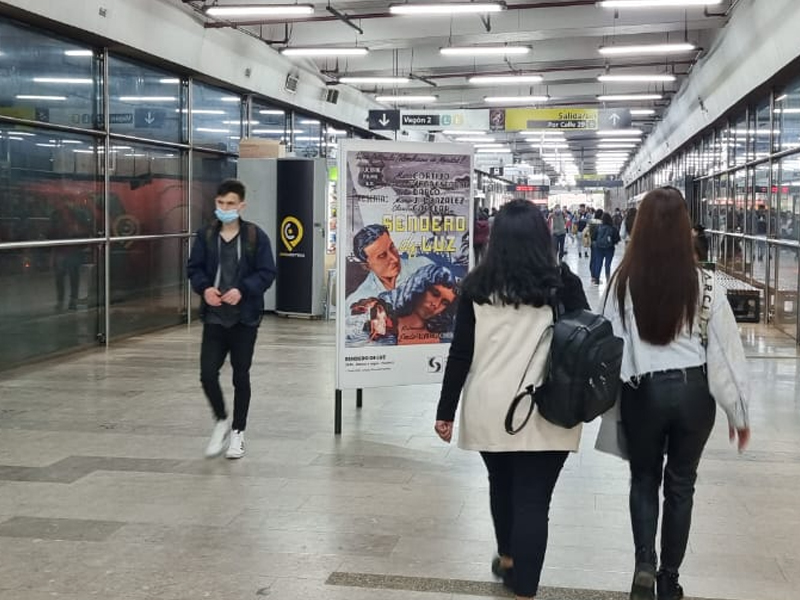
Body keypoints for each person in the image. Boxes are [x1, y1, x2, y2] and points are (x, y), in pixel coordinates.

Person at [601, 187, 751, 600]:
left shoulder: (622, 280)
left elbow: (610, 344)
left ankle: (644, 564)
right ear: (687, 228)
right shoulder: (706, 283)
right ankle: (670, 578)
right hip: (693, 394)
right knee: (681, 484)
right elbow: (724, 352)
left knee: (644, 479)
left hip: (642, 393)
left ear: (639, 226)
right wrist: (738, 414)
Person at [434, 200, 589, 600]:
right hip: (548, 409)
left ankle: (507, 557)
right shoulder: (562, 285)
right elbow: (586, 339)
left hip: (490, 407)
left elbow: (461, 354)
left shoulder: (477, 287)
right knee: (534, 501)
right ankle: (524, 588)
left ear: (497, 238)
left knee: (501, 485)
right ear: (543, 236)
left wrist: (445, 411)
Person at [187, 179, 276, 460]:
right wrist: (205, 288)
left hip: (244, 319)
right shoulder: (206, 236)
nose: (224, 208)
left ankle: (238, 431)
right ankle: (221, 419)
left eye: (230, 204)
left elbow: (266, 272)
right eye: (220, 203)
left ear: (241, 205)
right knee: (207, 373)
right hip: (214, 317)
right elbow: (194, 268)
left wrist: (243, 290)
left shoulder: (255, 237)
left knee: (241, 375)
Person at [348, 264, 458, 346]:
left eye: (445, 303)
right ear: (420, 286)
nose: (436, 304)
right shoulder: (379, 317)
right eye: (434, 294)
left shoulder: (444, 335)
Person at [345, 224, 431, 309]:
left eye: (392, 247)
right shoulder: (358, 299)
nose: (394, 259)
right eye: (382, 256)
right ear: (367, 266)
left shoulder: (425, 267)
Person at [592, 212, 621, 283]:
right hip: (609, 249)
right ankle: (608, 279)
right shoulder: (613, 228)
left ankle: (597, 279)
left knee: (598, 263)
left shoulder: (598, 227)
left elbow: (593, 237)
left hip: (598, 248)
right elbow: (617, 239)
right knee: (607, 264)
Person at [587, 208, 604, 284]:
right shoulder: (601, 222)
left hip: (591, 241)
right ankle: (596, 277)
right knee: (598, 260)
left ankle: (592, 277)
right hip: (598, 242)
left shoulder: (591, 221)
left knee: (592, 259)